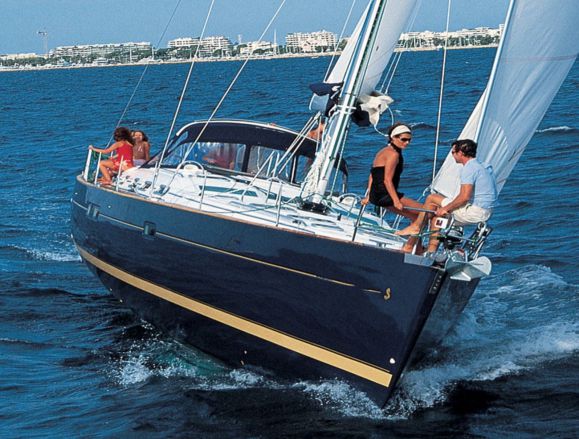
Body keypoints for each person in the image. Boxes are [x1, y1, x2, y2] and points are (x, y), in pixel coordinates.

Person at [398, 138, 498, 254]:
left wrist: (445, 208)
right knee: (437, 215)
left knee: (432, 198)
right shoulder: (484, 166)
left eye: (453, 152)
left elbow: (464, 197)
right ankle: (429, 250)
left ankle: (416, 228)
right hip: (486, 211)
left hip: (475, 212)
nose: (452, 155)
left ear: (461, 153)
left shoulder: (469, 168)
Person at [361, 123, 422, 221]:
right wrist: (396, 201)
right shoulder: (393, 155)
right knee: (427, 213)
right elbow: (387, 180)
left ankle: (415, 231)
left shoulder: (382, 151)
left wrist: (369, 196)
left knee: (415, 217)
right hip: (386, 196)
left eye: (409, 140)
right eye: (403, 139)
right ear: (393, 138)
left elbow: (373, 174)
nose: (407, 143)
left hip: (376, 196)